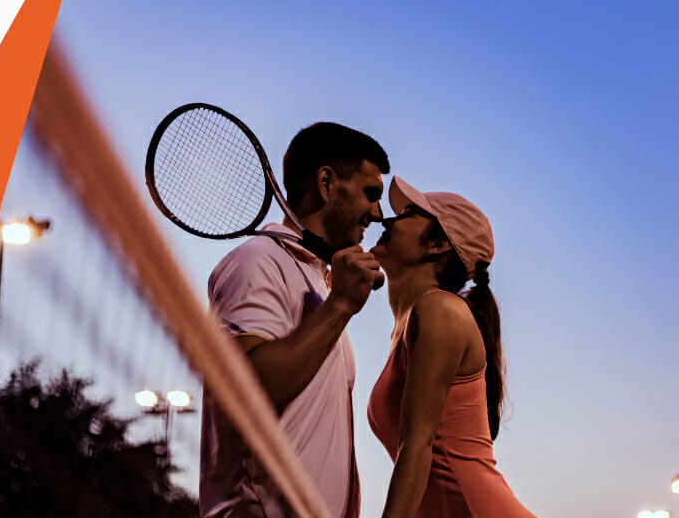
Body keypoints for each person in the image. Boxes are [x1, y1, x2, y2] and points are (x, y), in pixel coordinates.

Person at [200, 122, 390, 518]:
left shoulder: (318, 282)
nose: (377, 213)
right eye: (371, 194)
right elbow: (247, 389)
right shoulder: (258, 261)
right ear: (326, 183)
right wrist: (340, 307)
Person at [367, 176, 534, 517]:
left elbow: (417, 446)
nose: (388, 219)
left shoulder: (439, 311)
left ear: (438, 244)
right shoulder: (411, 325)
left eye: (408, 214)